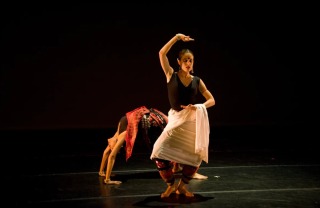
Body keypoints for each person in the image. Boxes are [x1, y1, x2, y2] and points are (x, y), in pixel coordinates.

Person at [150, 33, 215, 198]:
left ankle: (182, 187)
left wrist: (199, 106)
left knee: (196, 158)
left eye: (191, 60)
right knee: (159, 150)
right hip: (176, 120)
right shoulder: (171, 75)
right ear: (178, 62)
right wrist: (176, 38)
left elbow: (211, 100)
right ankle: (171, 185)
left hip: (191, 122)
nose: (188, 63)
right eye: (185, 60)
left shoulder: (197, 80)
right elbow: (161, 54)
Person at [99, 106, 208, 185]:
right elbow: (107, 152)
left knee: (174, 134)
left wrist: (107, 179)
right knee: (171, 138)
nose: (112, 147)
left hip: (154, 118)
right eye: (116, 148)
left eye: (114, 147)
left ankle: (182, 167)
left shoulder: (120, 135)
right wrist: (101, 173)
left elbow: (111, 155)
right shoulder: (117, 135)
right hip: (151, 120)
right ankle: (179, 166)